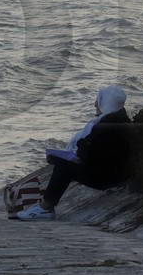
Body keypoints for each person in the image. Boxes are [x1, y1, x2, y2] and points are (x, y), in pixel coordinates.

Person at [16, 85, 132, 221]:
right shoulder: (120, 120)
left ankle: (45, 208)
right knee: (63, 162)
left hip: (108, 179)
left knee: (62, 166)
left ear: (106, 104)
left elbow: (86, 153)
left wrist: (67, 155)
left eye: (99, 101)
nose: (95, 104)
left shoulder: (106, 127)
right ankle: (44, 205)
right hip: (113, 173)